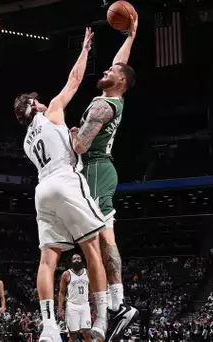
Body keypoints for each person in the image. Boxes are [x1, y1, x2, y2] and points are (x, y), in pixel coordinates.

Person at [14, 27, 109, 342]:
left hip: (42, 192)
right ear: (36, 106)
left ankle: (49, 327)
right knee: (91, 244)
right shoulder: (52, 110)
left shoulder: (27, 141)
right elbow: (74, 81)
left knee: (47, 259)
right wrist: (84, 50)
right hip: (64, 178)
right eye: (38, 101)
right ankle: (103, 317)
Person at [69, 15, 139, 342]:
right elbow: (120, 63)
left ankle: (115, 306)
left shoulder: (101, 106)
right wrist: (132, 34)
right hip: (99, 169)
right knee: (102, 239)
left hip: (95, 168)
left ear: (120, 82)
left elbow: (80, 145)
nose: (107, 70)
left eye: (111, 72)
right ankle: (116, 305)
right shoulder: (117, 97)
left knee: (99, 241)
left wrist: (68, 133)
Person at [58, 254, 92, 342]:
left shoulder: (87, 272)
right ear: (71, 261)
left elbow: (91, 291)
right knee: (73, 335)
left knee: (87, 334)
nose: (76, 260)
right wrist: (60, 309)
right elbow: (61, 293)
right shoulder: (66, 274)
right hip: (72, 306)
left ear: (81, 261)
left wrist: (95, 307)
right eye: (74, 259)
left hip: (85, 305)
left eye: (78, 258)